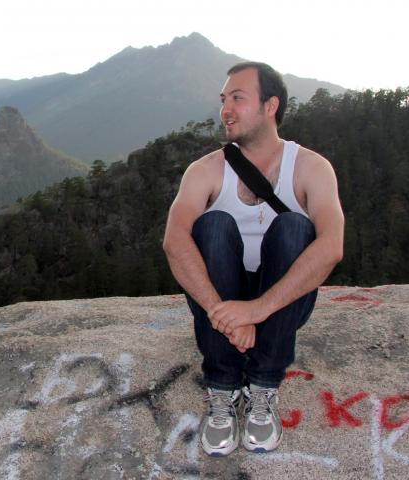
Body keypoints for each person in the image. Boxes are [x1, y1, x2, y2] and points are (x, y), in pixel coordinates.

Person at [162, 61, 344, 456]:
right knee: (212, 226)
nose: (225, 109)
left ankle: (262, 386)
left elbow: (331, 246)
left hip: (280, 299)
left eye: (237, 98)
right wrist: (225, 314)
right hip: (220, 295)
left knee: (295, 227)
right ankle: (223, 388)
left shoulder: (311, 168)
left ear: (270, 105)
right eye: (223, 99)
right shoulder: (205, 171)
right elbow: (174, 241)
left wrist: (256, 310)